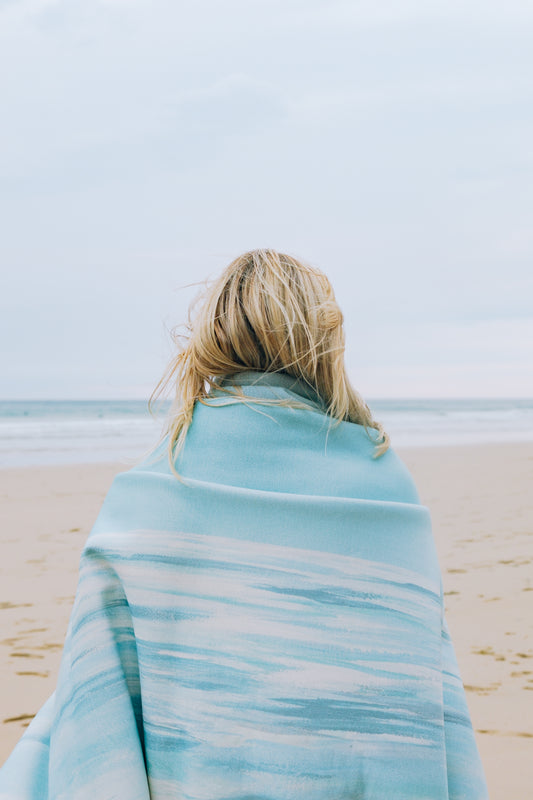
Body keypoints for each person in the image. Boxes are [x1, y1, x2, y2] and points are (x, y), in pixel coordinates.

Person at [0, 249, 489, 799]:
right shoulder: (386, 490)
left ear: (215, 334)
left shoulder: (148, 498)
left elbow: (96, 714)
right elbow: (423, 718)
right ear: (324, 342)